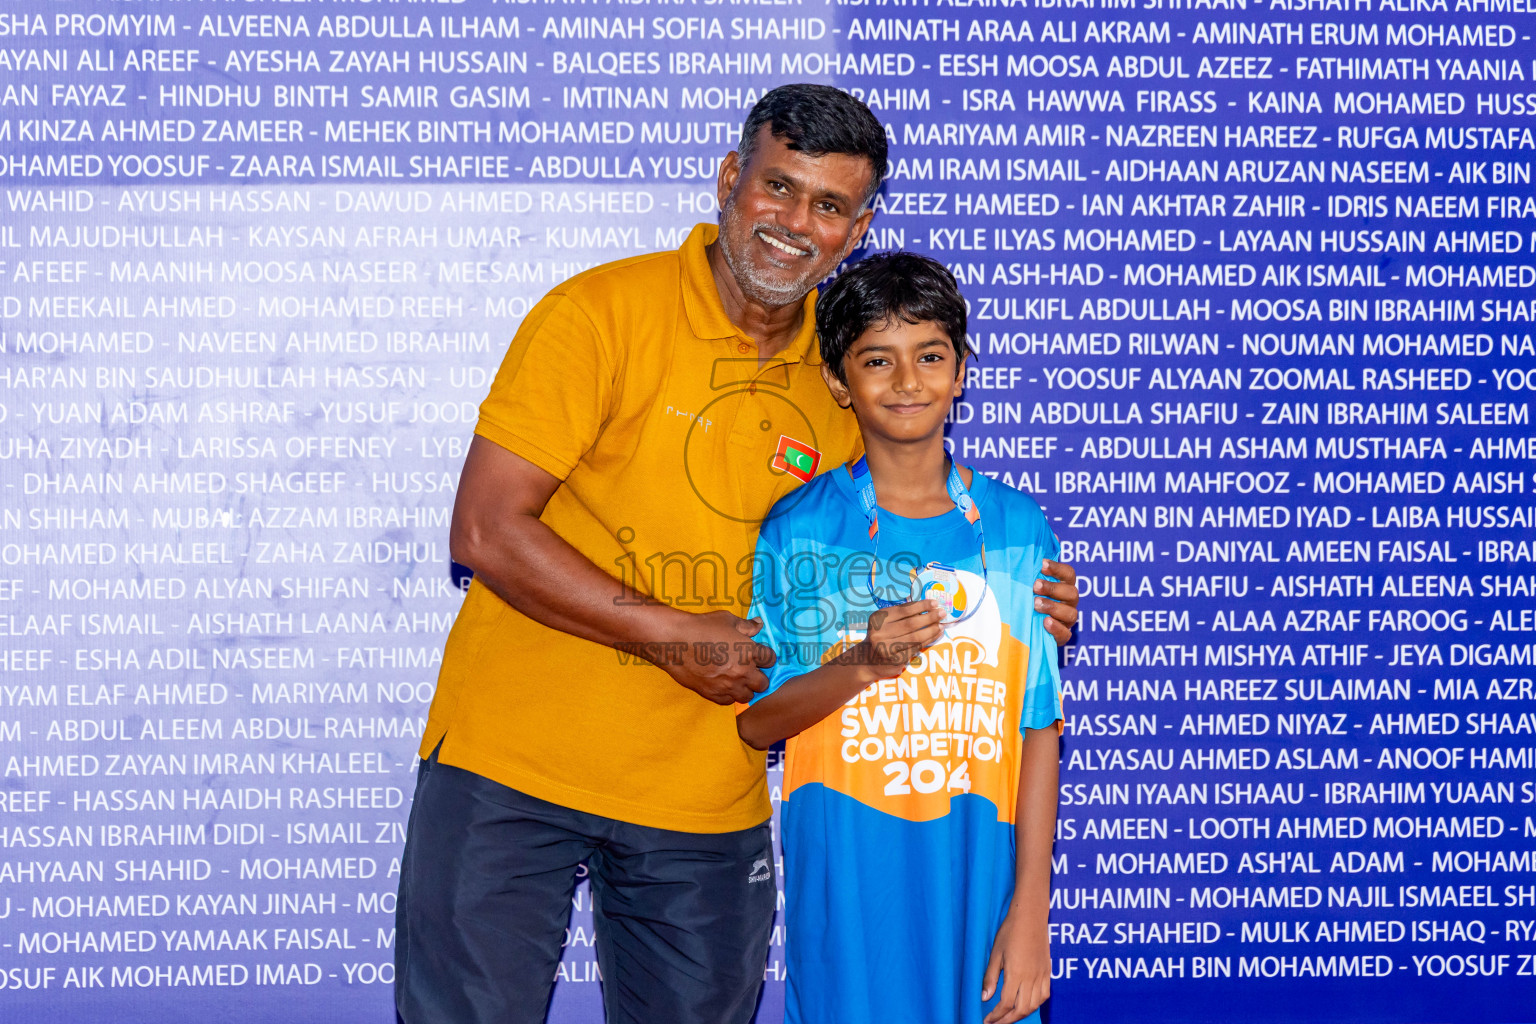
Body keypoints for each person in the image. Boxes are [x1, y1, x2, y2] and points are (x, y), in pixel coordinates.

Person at [394, 85, 1082, 1024]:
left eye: (830, 206)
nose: (797, 223)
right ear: (731, 179)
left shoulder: (847, 377)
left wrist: (1021, 598)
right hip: (514, 769)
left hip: (709, 800)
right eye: (779, 188)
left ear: (858, 227)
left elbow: (912, 532)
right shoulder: (598, 312)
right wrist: (673, 634)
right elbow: (483, 530)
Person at [736, 251, 1061, 1024]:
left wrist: (1031, 915)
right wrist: (864, 664)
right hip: (848, 890)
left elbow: (1038, 729)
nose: (907, 382)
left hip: (982, 888)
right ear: (840, 381)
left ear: (960, 371)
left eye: (930, 357)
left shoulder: (1018, 529)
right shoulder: (801, 530)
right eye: (878, 360)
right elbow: (758, 721)